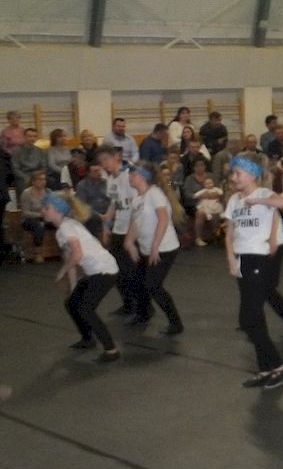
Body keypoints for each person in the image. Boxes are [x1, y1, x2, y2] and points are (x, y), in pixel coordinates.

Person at [225, 155, 283, 389]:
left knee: (248, 319)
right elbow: (229, 233)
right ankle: (264, 368)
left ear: (252, 174)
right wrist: (231, 258)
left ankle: (278, 366)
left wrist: (259, 201)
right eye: (233, 173)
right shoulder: (234, 200)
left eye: (238, 173)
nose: (233, 177)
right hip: (242, 259)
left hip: (258, 259)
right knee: (255, 319)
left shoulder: (264, 194)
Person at [43, 193, 121, 362]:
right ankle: (88, 338)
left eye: (47, 207)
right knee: (72, 303)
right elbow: (70, 258)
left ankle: (111, 350)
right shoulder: (61, 230)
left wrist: (61, 272)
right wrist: (73, 287)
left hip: (105, 270)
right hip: (95, 272)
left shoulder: (67, 227)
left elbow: (77, 255)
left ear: (58, 210)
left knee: (86, 309)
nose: (43, 210)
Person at [123, 162, 185, 335]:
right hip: (147, 248)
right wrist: (129, 241)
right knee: (138, 281)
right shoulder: (138, 199)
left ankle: (176, 323)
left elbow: (163, 220)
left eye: (133, 175)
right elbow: (135, 223)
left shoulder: (154, 194)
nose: (130, 177)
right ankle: (143, 314)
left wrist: (155, 247)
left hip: (164, 248)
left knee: (153, 285)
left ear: (143, 177)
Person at [97, 145, 138, 315]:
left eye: (106, 159)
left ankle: (142, 306)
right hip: (119, 227)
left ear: (116, 156)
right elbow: (114, 204)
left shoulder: (127, 175)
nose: (104, 164)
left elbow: (137, 205)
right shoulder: (111, 179)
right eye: (101, 161)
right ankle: (128, 303)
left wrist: (131, 235)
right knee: (117, 269)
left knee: (131, 270)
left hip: (132, 228)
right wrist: (106, 226)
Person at [75, 160, 110, 240]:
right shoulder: (82, 185)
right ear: (88, 173)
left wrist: (109, 213)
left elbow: (111, 200)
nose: (99, 173)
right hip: (91, 214)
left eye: (99, 170)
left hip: (107, 212)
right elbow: (82, 206)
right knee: (92, 220)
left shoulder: (105, 183)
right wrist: (99, 215)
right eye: (95, 171)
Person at [19, 170, 49, 263]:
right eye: (40, 179)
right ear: (33, 181)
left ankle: (64, 249)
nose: (43, 181)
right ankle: (38, 253)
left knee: (61, 223)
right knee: (38, 225)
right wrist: (40, 215)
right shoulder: (26, 193)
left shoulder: (48, 191)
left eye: (44, 179)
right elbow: (25, 212)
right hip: (29, 219)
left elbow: (52, 206)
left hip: (45, 217)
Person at [12, 127, 46, 197]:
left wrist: (38, 176)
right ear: (24, 137)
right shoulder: (17, 151)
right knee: (24, 184)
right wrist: (26, 177)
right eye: (29, 136)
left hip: (37, 175)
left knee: (48, 181)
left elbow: (44, 166)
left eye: (34, 136)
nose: (32, 138)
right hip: (23, 176)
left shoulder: (40, 151)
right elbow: (15, 168)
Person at [1, 110, 25, 191]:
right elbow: (3, 147)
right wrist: (13, 154)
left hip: (23, 155)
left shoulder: (23, 130)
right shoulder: (5, 132)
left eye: (17, 118)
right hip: (10, 156)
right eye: (12, 118)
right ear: (9, 120)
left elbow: (26, 144)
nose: (15, 120)